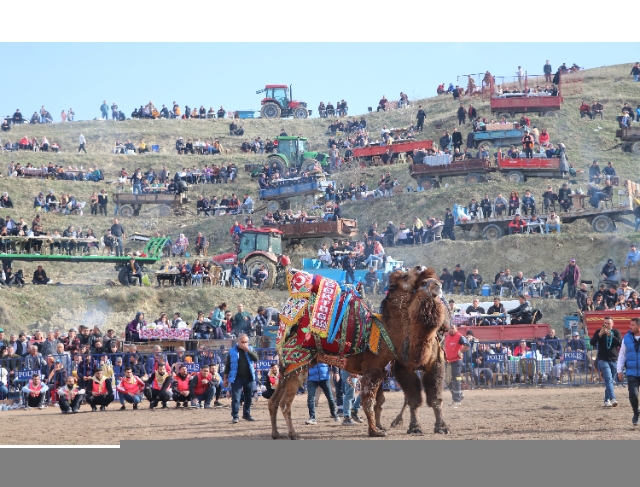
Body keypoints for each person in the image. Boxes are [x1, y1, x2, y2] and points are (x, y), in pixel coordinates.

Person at [223, 334, 258, 423]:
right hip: (237, 378)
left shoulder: (251, 349)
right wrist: (225, 378)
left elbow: (256, 358)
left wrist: (248, 350)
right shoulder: (232, 351)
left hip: (249, 377)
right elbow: (227, 366)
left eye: (246, 342)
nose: (244, 344)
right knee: (236, 398)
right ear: (238, 341)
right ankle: (235, 416)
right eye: (242, 342)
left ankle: (246, 414)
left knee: (248, 398)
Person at [590, 316, 623, 407]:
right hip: (603, 359)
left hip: (614, 359)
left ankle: (606, 400)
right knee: (608, 379)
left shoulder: (616, 332)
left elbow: (620, 343)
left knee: (610, 381)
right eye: (605, 323)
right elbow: (592, 343)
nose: (606, 325)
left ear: (612, 324)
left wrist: (611, 336)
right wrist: (599, 334)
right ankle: (613, 398)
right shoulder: (598, 332)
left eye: (608, 323)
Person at [617, 317, 640, 426]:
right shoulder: (626, 338)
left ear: (639, 327)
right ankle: (636, 413)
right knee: (633, 395)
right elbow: (622, 355)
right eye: (630, 325)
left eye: (633, 325)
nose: (630, 327)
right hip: (632, 372)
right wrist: (619, 370)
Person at [444, 324, 470, 407]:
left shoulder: (460, 336)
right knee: (448, 381)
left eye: (452, 328)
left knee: (456, 379)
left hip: (457, 361)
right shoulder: (447, 337)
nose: (451, 330)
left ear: (456, 329)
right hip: (448, 361)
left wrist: (460, 351)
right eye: (450, 328)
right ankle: (458, 395)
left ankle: (457, 400)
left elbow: (467, 345)